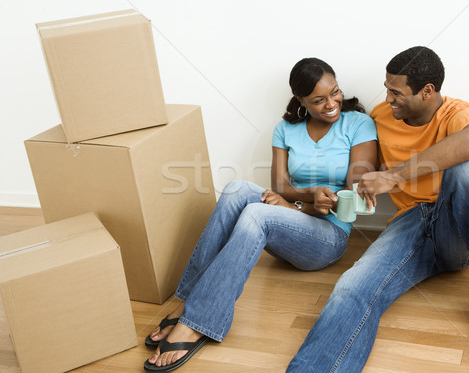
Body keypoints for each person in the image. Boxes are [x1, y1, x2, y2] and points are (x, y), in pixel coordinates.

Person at [287, 46, 469, 372]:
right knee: (352, 286)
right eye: (387, 88)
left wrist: (394, 176)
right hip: (409, 224)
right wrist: (325, 193)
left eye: (396, 92)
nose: (388, 98)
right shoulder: (380, 116)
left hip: (455, 229)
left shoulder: (457, 113)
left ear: (427, 91)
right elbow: (356, 166)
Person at [143, 57, 378, 372]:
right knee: (237, 189)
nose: (331, 103)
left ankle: (198, 320)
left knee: (256, 213)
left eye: (335, 93)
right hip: (289, 224)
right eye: (318, 100)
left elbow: (355, 193)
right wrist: (303, 198)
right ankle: (189, 302)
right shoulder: (286, 129)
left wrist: (301, 204)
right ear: (301, 101)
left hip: (328, 236)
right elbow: (279, 186)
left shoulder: (358, 124)